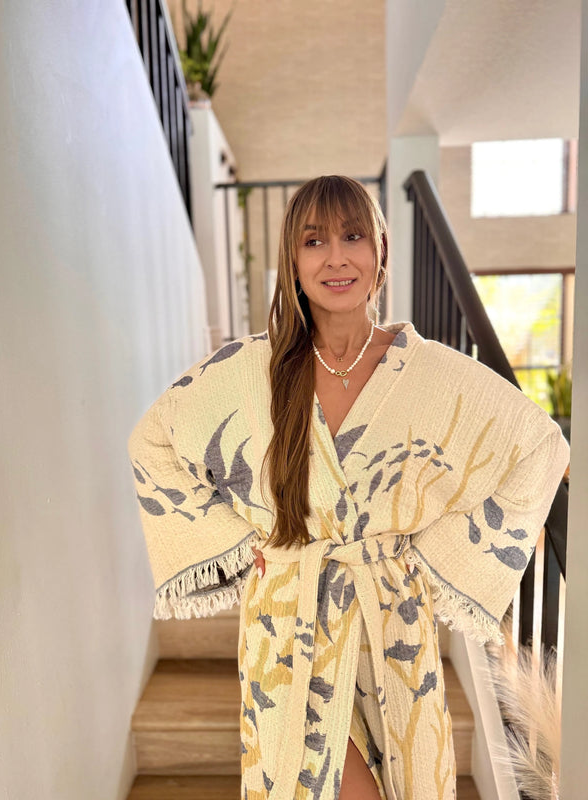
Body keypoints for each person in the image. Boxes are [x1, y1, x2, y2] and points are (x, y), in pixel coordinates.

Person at [128, 175, 570, 800]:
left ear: (381, 252)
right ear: (293, 260)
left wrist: (426, 554)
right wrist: (237, 540)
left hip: (391, 617)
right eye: (314, 241)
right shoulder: (249, 370)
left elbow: (540, 445)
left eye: (353, 236)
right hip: (287, 618)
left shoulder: (431, 373)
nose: (336, 256)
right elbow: (152, 440)